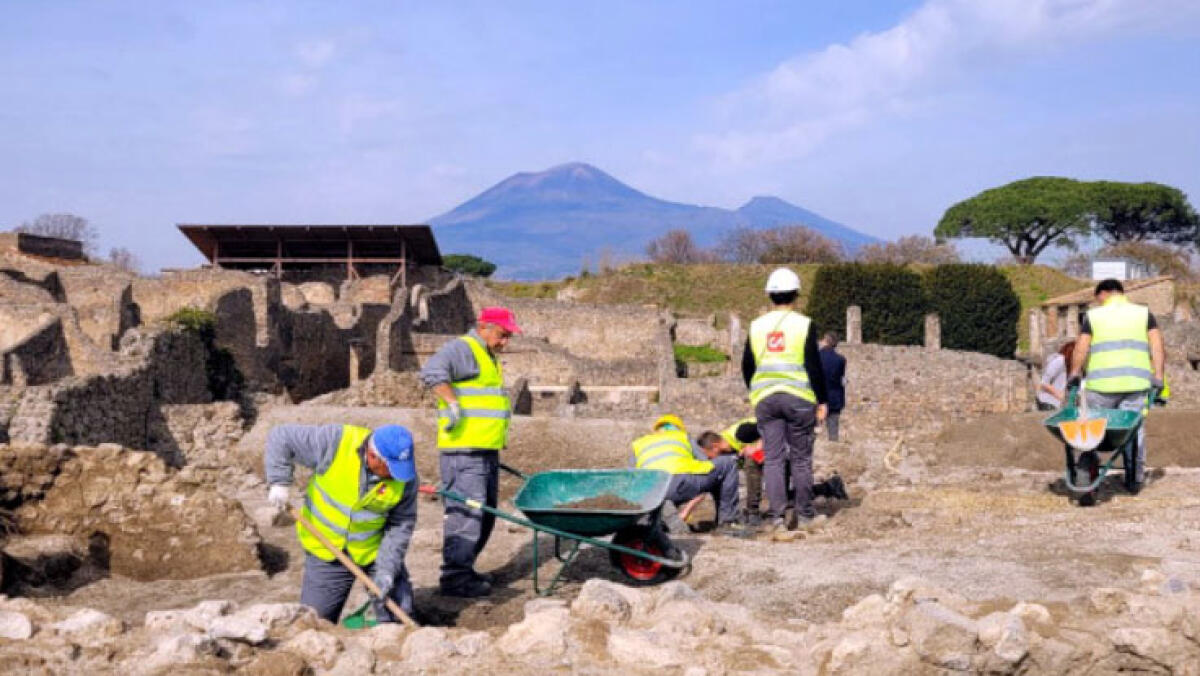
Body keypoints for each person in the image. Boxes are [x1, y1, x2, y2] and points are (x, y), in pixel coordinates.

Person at [264, 424, 418, 623]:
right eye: (391, 469)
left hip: (373, 552)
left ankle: (382, 620)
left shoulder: (405, 477)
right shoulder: (336, 443)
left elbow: (400, 525)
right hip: (327, 550)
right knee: (316, 623)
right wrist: (279, 482)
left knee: (400, 614)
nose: (396, 476)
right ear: (372, 456)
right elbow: (281, 435)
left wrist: (387, 571)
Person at [420, 306, 520, 597]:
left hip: (484, 450)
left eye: (509, 337)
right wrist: (452, 404)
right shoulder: (463, 349)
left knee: (485, 514)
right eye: (502, 335)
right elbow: (432, 372)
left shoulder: (486, 355)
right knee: (467, 514)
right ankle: (454, 579)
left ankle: (465, 569)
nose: (506, 342)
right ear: (485, 326)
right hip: (463, 452)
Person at [741, 267, 829, 531]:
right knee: (801, 459)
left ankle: (777, 519)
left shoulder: (756, 326)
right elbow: (814, 366)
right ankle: (805, 516)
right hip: (799, 399)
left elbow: (747, 365)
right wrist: (822, 401)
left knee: (773, 459)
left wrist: (756, 392)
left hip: (766, 400)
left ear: (770, 295)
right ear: (796, 295)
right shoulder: (803, 324)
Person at [1067, 279, 1166, 497]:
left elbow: (1081, 347)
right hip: (1136, 384)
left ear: (1103, 294)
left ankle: (1089, 462)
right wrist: (1158, 376)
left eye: (1098, 298)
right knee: (1134, 431)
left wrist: (1074, 373)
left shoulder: (1094, 316)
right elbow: (1157, 344)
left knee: (1092, 428)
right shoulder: (1143, 313)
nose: (1098, 302)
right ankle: (1135, 479)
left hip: (1100, 386)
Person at [702, 420, 847, 526]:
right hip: (776, 450)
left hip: (788, 443)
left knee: (752, 464)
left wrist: (757, 448)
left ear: (715, 446)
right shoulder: (726, 445)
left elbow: (773, 429)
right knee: (779, 496)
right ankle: (828, 488)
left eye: (709, 455)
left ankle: (753, 512)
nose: (710, 460)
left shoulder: (739, 432)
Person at [632, 415, 750, 536]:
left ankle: (660, 520)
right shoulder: (682, 437)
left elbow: (633, 475)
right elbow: (705, 463)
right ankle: (728, 522)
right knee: (727, 464)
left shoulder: (639, 444)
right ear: (679, 427)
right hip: (679, 484)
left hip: (654, 494)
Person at [818, 332, 847, 441]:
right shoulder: (840, 360)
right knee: (833, 431)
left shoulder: (816, 357)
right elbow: (841, 379)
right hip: (834, 398)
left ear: (825, 341)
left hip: (818, 398)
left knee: (812, 431)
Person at [1037, 340, 1076, 411]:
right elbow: (1043, 383)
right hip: (1048, 403)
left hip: (1059, 404)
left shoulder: (1072, 365)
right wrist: (1060, 396)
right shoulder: (1059, 360)